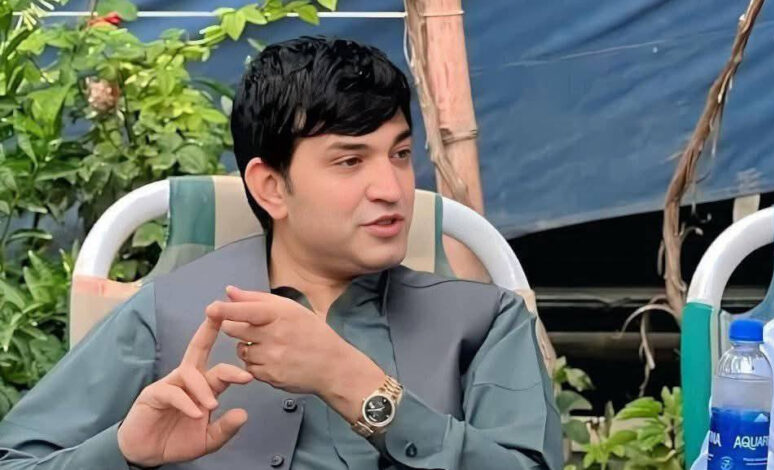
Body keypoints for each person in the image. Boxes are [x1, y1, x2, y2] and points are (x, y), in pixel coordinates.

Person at [0, 36, 563, 469]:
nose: (392, 188)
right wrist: (123, 452)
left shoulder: (484, 321)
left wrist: (356, 384)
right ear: (271, 187)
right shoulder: (166, 313)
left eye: (399, 154)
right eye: (350, 161)